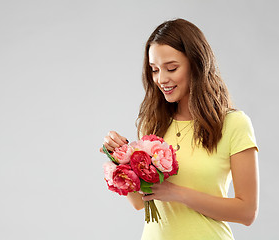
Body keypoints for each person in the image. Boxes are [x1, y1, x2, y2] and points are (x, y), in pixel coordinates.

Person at [101, 18, 259, 240]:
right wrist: (122, 157)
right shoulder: (153, 123)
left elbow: (246, 212)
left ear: (196, 64)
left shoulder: (234, 124)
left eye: (172, 68)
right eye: (154, 70)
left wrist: (177, 193)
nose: (161, 79)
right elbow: (140, 202)